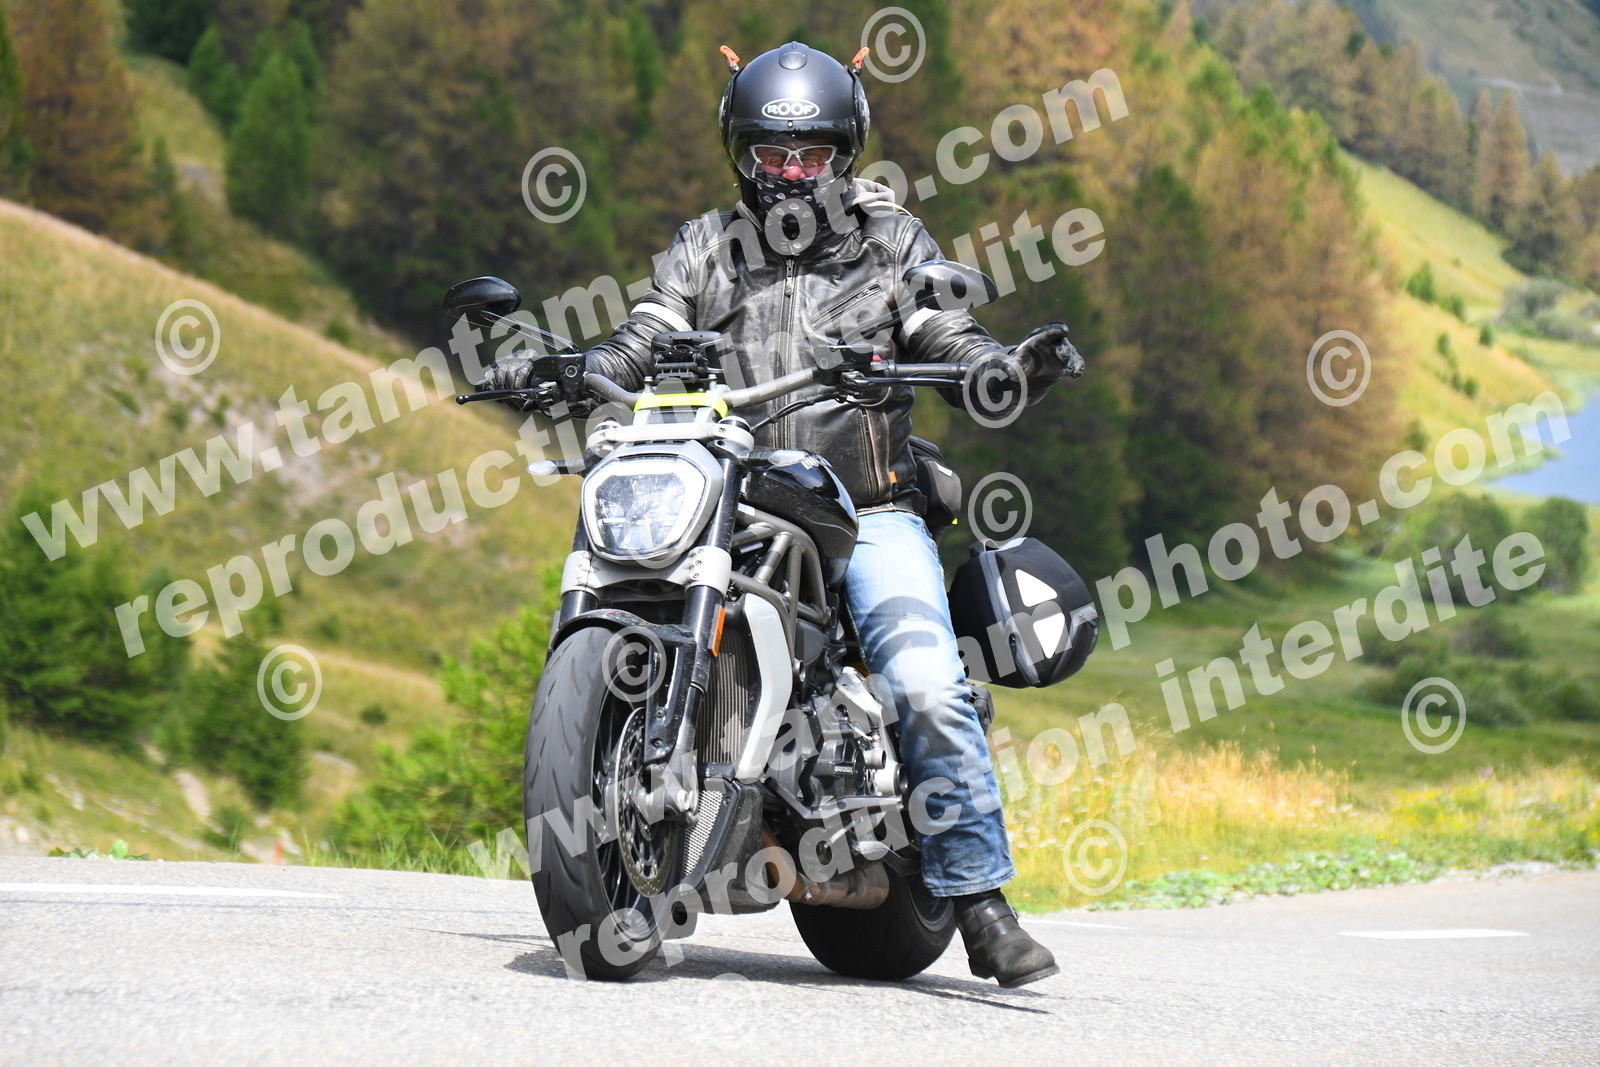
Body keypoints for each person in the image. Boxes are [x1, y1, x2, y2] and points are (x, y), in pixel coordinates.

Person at [483, 41, 1082, 989]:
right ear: (743, 154)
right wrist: (584, 367)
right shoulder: (704, 247)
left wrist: (995, 365)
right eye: (773, 153)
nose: (792, 172)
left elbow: (941, 326)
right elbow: (649, 332)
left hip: (869, 508)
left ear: (844, 154)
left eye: (811, 154)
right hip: (730, 485)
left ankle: (980, 898)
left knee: (925, 680)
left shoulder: (892, 243)